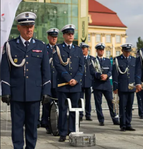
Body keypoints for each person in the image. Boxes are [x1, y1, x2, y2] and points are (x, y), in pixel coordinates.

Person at [1, 12, 51, 149]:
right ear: (19, 27)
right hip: (16, 94)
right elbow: (5, 71)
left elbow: (46, 72)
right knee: (17, 127)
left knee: (32, 126)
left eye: (31, 26)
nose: (29, 29)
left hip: (34, 94)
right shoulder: (10, 46)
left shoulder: (41, 46)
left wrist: (46, 91)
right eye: (25, 26)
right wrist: (5, 91)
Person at [53, 24, 84, 142]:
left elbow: (82, 67)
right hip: (63, 85)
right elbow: (58, 65)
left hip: (75, 85)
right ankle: (62, 132)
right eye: (68, 34)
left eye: (72, 33)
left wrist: (75, 79)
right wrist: (68, 79)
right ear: (64, 35)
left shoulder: (78, 49)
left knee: (74, 110)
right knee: (62, 109)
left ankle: (72, 131)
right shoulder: (58, 49)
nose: (71, 35)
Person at [91, 43, 120, 126]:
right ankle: (101, 119)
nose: (101, 51)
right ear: (97, 51)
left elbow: (111, 70)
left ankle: (115, 118)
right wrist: (99, 76)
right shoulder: (93, 61)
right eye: (100, 50)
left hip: (106, 85)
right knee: (98, 103)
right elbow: (92, 71)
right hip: (98, 84)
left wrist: (107, 75)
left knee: (111, 102)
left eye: (102, 50)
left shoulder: (107, 60)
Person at [112, 43, 138, 131]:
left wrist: (137, 84)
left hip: (131, 86)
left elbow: (136, 73)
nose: (127, 53)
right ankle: (122, 124)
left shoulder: (134, 60)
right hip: (122, 86)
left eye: (129, 51)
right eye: (126, 51)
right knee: (122, 106)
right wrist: (115, 87)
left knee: (130, 106)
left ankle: (128, 123)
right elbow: (115, 74)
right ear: (122, 51)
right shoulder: (118, 60)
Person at [41, 28, 59, 134]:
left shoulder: (60, 49)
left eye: (55, 37)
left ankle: (56, 124)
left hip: (57, 82)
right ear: (48, 37)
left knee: (57, 104)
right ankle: (47, 123)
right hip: (47, 81)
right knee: (46, 104)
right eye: (52, 37)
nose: (54, 38)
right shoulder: (44, 48)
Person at [79, 42, 94, 121]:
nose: (82, 50)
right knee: (80, 99)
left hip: (88, 82)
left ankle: (88, 114)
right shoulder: (78, 58)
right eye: (81, 48)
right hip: (81, 82)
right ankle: (80, 114)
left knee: (88, 100)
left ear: (87, 49)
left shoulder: (92, 59)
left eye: (84, 48)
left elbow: (94, 71)